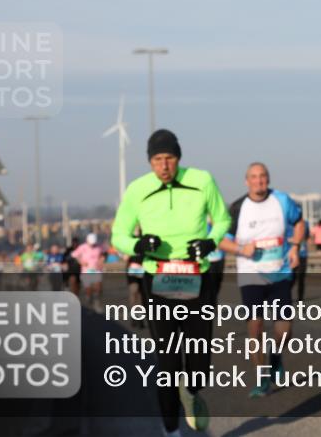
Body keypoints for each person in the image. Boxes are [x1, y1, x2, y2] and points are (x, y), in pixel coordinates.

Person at [111, 129, 231, 435]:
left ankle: (190, 391)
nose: (164, 165)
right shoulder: (137, 190)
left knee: (199, 359)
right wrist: (138, 246)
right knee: (167, 362)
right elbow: (118, 235)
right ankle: (170, 430)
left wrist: (210, 242)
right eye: (157, 160)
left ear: (178, 158)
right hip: (159, 278)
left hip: (196, 277)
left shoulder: (202, 180)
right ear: (150, 162)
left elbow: (223, 219)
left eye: (169, 158)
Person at [221, 162, 304, 398]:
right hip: (250, 273)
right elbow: (220, 240)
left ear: (268, 178)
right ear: (246, 181)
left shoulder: (282, 200)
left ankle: (276, 356)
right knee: (255, 326)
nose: (259, 181)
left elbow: (299, 223)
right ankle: (261, 378)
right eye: (254, 177)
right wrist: (239, 249)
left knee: (284, 329)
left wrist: (295, 246)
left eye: (263, 176)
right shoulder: (238, 208)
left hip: (280, 271)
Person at [71, 233, 106, 310]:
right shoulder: (82, 247)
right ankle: (89, 299)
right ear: (87, 241)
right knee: (88, 289)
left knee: (98, 286)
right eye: (91, 244)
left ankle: (97, 302)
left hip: (96, 270)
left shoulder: (99, 246)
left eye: (93, 244)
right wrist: (81, 262)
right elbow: (74, 255)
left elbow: (103, 254)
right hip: (86, 270)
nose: (92, 245)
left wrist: (101, 261)